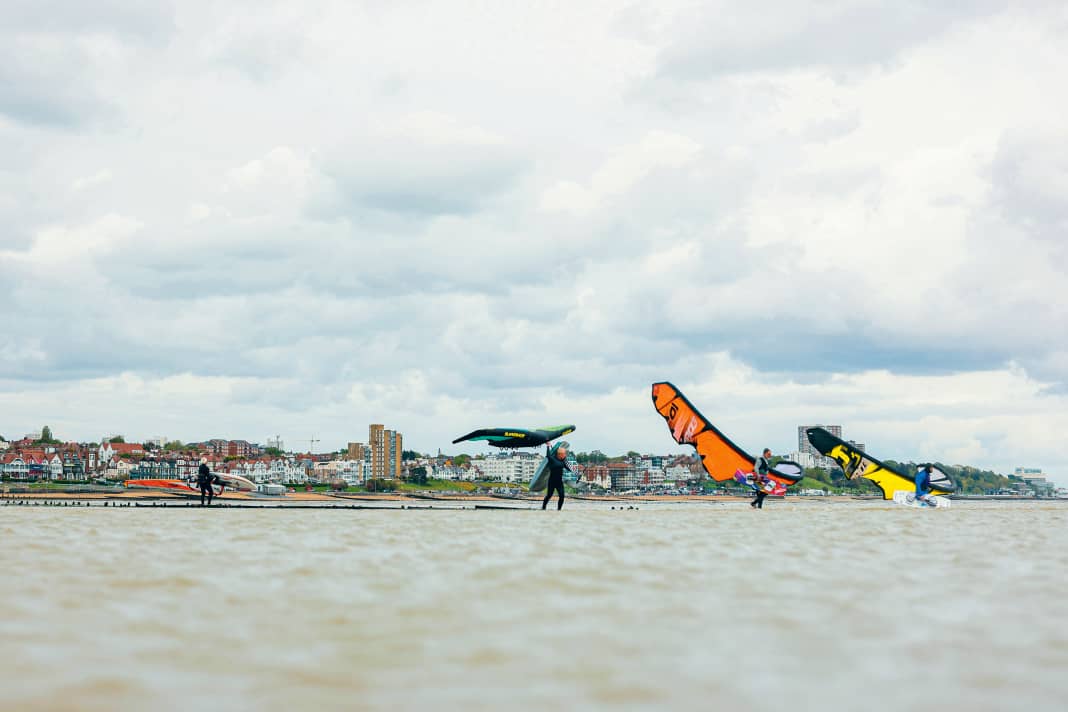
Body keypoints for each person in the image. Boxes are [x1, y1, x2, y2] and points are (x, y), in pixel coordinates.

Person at [541, 441, 571, 511]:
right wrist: (548, 446)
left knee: (562, 496)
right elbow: (548, 455)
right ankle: (543, 508)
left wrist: (577, 473)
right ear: (560, 454)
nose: (565, 455)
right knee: (549, 495)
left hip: (559, 482)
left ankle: (559, 510)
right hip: (552, 481)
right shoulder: (552, 459)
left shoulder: (563, 462)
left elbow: (569, 469)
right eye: (564, 454)